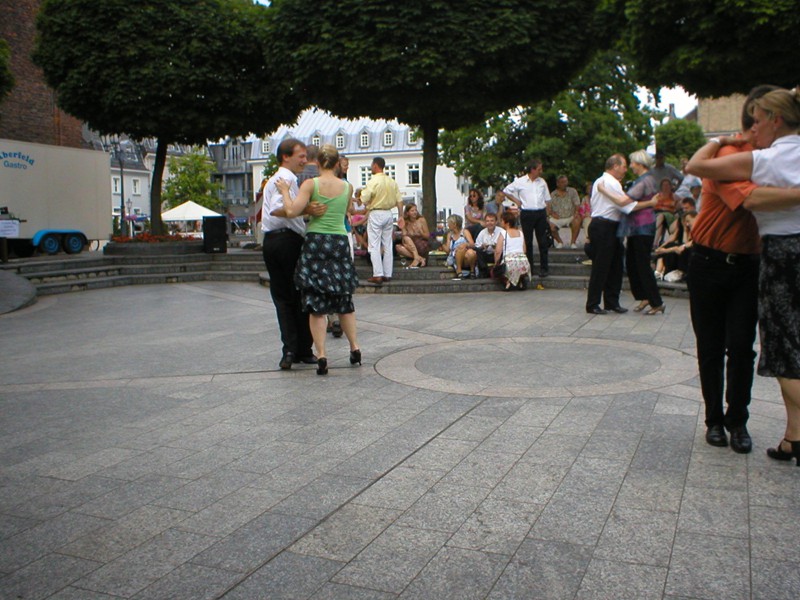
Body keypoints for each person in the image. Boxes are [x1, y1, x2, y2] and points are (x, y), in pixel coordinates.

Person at [687, 86, 800, 459]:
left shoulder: (769, 157)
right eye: (753, 121)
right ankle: (714, 421)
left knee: (741, 347)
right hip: (708, 261)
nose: (757, 127)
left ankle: (738, 421)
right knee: (710, 346)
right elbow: (749, 198)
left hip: (750, 264)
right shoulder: (732, 156)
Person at [275, 144, 361, 376]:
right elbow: (349, 209)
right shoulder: (347, 187)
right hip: (339, 242)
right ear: (336, 163)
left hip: (316, 242)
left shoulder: (310, 184)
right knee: (343, 298)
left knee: (316, 304)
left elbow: (291, 211)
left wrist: (284, 191)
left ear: (318, 163)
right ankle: (355, 347)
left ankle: (321, 354)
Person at [261, 138, 318, 370]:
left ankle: (291, 349)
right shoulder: (287, 179)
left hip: (272, 241)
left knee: (283, 297)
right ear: (286, 157)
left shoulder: (274, 179)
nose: (305, 160)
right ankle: (301, 349)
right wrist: (305, 209)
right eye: (301, 156)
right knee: (298, 294)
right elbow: (279, 209)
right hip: (288, 241)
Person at [586, 154, 657, 314]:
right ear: (615, 166)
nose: (626, 169)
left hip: (609, 226)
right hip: (604, 226)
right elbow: (627, 206)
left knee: (615, 265)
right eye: (624, 166)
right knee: (601, 266)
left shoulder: (606, 182)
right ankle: (593, 303)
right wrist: (650, 203)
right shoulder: (609, 182)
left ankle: (611, 302)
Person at [616, 150, 665, 315]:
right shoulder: (644, 179)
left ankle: (656, 302)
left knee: (642, 265)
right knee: (633, 264)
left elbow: (627, 202)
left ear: (639, 163)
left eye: (632, 163)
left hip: (643, 227)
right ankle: (645, 296)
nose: (630, 166)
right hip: (636, 227)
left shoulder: (645, 180)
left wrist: (605, 191)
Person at [502, 159, 552, 277]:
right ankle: (530, 268)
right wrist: (517, 201)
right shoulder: (520, 181)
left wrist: (547, 214)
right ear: (532, 170)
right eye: (539, 169)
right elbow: (506, 190)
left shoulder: (542, 182)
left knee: (543, 241)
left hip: (540, 212)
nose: (541, 171)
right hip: (527, 212)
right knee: (528, 242)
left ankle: (544, 268)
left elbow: (547, 199)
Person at [362, 157, 404, 285]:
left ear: (375, 165)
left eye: (371, 165)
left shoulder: (373, 181)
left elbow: (364, 198)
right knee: (388, 244)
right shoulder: (392, 181)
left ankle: (378, 274)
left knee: (374, 244)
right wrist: (401, 216)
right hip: (388, 213)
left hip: (376, 212)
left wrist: (367, 202)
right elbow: (399, 200)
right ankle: (387, 273)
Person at [654, 210, 696, 281]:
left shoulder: (697, 230)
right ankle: (658, 272)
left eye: (688, 221)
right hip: (680, 250)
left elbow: (685, 245)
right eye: (685, 221)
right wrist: (661, 248)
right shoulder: (682, 229)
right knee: (668, 245)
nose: (687, 224)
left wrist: (685, 231)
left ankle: (661, 272)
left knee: (674, 248)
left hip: (687, 252)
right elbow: (672, 239)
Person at [496, 210, 530, 290]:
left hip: (510, 261)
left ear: (507, 223)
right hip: (523, 261)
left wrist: (496, 263)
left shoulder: (503, 233)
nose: (500, 222)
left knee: (498, 270)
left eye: (502, 221)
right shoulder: (520, 233)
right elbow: (524, 250)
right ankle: (520, 280)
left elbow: (498, 251)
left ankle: (507, 282)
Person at [547, 175, 581, 248]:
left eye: (566, 182)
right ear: (558, 184)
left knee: (577, 219)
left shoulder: (572, 191)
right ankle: (560, 242)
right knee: (548, 224)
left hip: (570, 216)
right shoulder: (553, 194)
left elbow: (577, 204)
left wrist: (576, 212)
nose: (564, 184)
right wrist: (552, 213)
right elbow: (548, 208)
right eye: (562, 182)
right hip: (557, 218)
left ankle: (573, 243)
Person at [395, 203, 430, 268]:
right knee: (398, 247)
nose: (415, 212)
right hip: (411, 246)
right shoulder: (405, 222)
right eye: (412, 211)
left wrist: (421, 232)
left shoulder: (421, 220)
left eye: (415, 210)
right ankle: (419, 258)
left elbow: (427, 236)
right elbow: (404, 238)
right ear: (407, 213)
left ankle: (417, 258)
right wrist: (402, 227)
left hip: (421, 244)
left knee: (406, 239)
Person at [441, 214, 476, 279]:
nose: (448, 225)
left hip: (466, 257)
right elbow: (448, 250)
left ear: (454, 224)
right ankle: (459, 270)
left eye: (449, 223)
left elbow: (472, 244)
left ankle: (472, 271)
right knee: (460, 250)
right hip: (454, 257)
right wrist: (442, 244)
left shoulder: (465, 232)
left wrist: (465, 244)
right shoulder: (450, 235)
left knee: (471, 252)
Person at [473, 212, 504, 277]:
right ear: (485, 222)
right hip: (486, 254)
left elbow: (506, 245)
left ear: (496, 222)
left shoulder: (502, 231)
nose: (490, 223)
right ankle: (484, 271)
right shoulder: (482, 232)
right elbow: (477, 246)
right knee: (478, 251)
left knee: (501, 252)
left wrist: (498, 246)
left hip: (497, 254)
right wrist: (482, 246)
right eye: (487, 221)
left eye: (492, 221)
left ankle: (498, 271)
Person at [653, 177, 679, 247]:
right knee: (661, 220)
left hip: (669, 214)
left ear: (670, 186)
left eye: (667, 185)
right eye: (664, 185)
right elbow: (652, 205)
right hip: (657, 213)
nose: (665, 187)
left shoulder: (674, 196)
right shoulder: (657, 196)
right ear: (661, 186)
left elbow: (679, 206)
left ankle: (654, 229)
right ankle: (655, 243)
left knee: (661, 216)